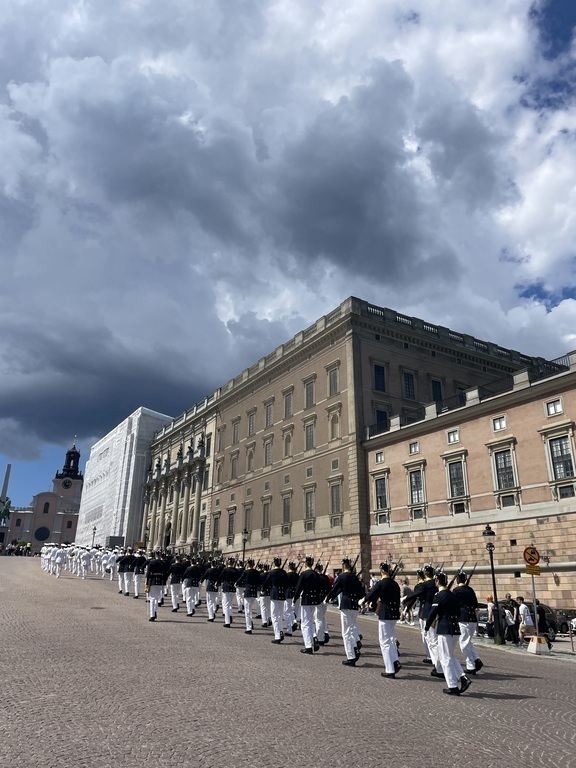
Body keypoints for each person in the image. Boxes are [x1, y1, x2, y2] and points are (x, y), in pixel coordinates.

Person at [425, 572, 471, 696]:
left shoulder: (439, 596)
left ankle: (453, 686)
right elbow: (457, 611)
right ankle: (462, 677)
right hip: (455, 628)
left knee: (445, 657)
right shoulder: (452, 595)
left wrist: (427, 626)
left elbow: (433, 612)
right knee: (450, 655)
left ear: (437, 582)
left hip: (444, 628)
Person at [360, 562, 401, 678]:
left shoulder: (381, 583)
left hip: (385, 613)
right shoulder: (395, 584)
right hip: (394, 614)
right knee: (391, 639)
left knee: (384, 641)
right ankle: (395, 661)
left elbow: (372, 594)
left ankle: (390, 669)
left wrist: (363, 600)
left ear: (382, 571)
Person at [324, 558, 365, 666]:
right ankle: (354, 647)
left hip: (346, 604)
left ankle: (351, 656)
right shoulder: (355, 578)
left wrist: (328, 597)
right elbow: (361, 593)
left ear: (343, 566)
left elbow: (335, 589)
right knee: (351, 628)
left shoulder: (342, 577)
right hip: (355, 605)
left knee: (346, 632)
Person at [452, 573, 483, 675]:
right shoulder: (470, 590)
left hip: (463, 618)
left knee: (464, 643)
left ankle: (471, 666)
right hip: (472, 617)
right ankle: (476, 660)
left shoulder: (456, 591)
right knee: (468, 641)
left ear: (457, 580)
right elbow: (475, 604)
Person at [293, 556, 323, 654]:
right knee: (310, 621)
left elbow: (299, 587)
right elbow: (319, 588)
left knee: (305, 624)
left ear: (306, 563)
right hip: (315, 600)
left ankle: (308, 646)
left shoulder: (304, 574)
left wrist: (295, 598)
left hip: (306, 600)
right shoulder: (316, 574)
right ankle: (314, 636)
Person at [262, 557, 289, 643]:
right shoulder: (284, 572)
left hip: (274, 594)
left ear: (274, 563)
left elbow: (267, 582)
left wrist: (263, 588)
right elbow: (286, 584)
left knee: (274, 615)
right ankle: (280, 631)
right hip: (282, 595)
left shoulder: (272, 572)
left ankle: (277, 635)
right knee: (280, 615)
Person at [235, 559, 261, 634]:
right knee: (249, 609)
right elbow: (259, 582)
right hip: (254, 592)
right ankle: (250, 622)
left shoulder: (246, 572)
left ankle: (248, 627)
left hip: (248, 591)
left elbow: (241, 579)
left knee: (247, 611)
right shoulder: (256, 572)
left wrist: (237, 583)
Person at [145, 551, 170, 621]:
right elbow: (166, 573)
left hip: (153, 581)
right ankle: (155, 611)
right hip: (160, 581)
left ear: (155, 555)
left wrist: (147, 583)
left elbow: (148, 573)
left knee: (152, 598)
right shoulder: (163, 563)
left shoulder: (152, 562)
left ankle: (152, 614)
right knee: (156, 598)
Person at [218, 558, 239, 628]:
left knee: (226, 604)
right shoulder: (235, 570)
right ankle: (230, 615)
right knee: (230, 603)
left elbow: (220, 577)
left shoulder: (225, 570)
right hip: (233, 587)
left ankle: (227, 621)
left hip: (226, 587)